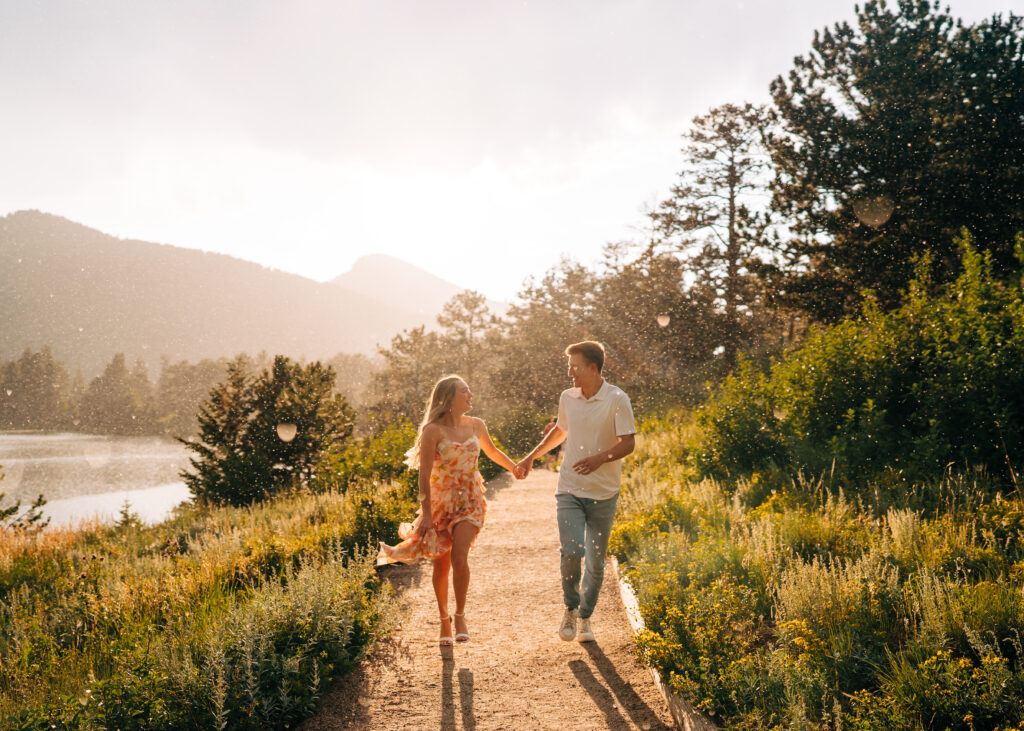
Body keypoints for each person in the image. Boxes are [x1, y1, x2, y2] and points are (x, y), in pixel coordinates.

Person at [377, 375, 520, 646]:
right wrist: (427, 514)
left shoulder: (477, 425)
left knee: (459, 554)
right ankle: (444, 621)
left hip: (471, 501)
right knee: (441, 566)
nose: (471, 396)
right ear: (449, 399)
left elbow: (493, 451)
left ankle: (461, 615)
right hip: (440, 504)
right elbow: (424, 475)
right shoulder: (433, 430)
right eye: (465, 392)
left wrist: (515, 467)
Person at [515, 341, 636, 643]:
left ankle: (585, 617)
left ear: (592, 368)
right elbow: (560, 431)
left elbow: (628, 443)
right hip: (569, 488)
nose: (570, 373)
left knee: (595, 562)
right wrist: (531, 456)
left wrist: (599, 459)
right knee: (572, 551)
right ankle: (570, 607)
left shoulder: (617, 399)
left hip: (604, 494)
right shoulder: (567, 398)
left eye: (575, 367)